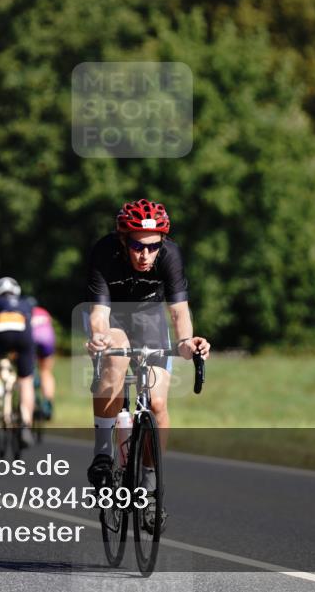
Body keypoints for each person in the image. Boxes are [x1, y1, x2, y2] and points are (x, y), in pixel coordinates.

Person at [85, 198, 211, 534]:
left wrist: (188, 343)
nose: (145, 255)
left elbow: (179, 312)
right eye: (138, 246)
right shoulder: (105, 252)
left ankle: (151, 490)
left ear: (162, 243)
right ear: (123, 239)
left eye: (153, 247)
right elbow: (98, 314)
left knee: (156, 402)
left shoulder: (170, 255)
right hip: (112, 319)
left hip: (150, 320)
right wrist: (99, 338)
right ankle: (102, 455)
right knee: (116, 356)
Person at [0, 277, 36, 448]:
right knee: (26, 381)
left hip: (0, 337)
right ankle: (26, 423)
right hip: (24, 338)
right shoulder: (25, 303)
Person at [28, 300, 56, 420]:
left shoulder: (22, 311)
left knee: (25, 374)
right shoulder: (44, 312)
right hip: (47, 340)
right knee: (46, 372)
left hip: (31, 340)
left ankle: (31, 402)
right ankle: (47, 404)